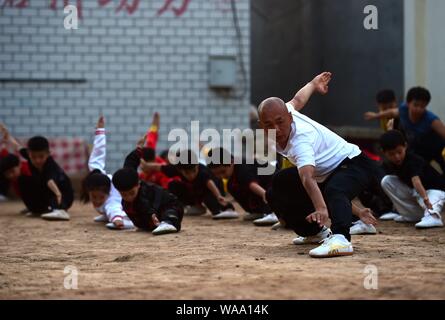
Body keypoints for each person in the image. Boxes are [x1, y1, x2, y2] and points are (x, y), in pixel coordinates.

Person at [259, 72, 384, 258]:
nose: (276, 129)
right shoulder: (283, 114)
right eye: (269, 125)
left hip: (354, 162)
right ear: (261, 126)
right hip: (328, 172)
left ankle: (341, 239)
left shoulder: (301, 140)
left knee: (333, 188)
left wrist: (321, 209)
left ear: (289, 119)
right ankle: (313, 232)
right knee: (280, 183)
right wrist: (313, 84)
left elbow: (307, 177)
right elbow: (297, 100)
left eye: (280, 122)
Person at [127, 149, 239, 219]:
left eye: (193, 171)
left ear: (196, 166)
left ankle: (224, 209)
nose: (190, 175)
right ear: (180, 170)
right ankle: (197, 206)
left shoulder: (202, 171)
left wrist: (219, 196)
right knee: (173, 185)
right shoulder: (177, 168)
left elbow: (210, 183)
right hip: (195, 193)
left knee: (208, 197)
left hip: (212, 191)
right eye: (186, 173)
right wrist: (145, 165)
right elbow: (158, 167)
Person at [0, 124, 73, 220]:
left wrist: (58, 194)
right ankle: (37, 209)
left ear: (48, 154)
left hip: (63, 194)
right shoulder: (29, 156)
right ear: (29, 154)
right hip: (48, 192)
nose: (37, 160)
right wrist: (7, 136)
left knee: (49, 187)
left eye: (41, 156)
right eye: (33, 157)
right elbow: (18, 146)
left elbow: (50, 181)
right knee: (23, 180)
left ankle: (60, 210)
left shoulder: (50, 165)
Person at [364, 87, 445, 172]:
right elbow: (391, 112)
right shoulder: (403, 110)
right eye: (416, 105)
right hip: (420, 148)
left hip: (437, 147)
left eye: (422, 106)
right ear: (408, 103)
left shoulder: (431, 119)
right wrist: (375, 116)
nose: (418, 109)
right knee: (419, 168)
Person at [379, 130, 445, 228]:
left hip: (436, 191)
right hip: (417, 194)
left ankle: (433, 216)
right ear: (384, 153)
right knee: (386, 181)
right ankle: (409, 215)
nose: (397, 157)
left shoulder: (413, 160)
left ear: (405, 146)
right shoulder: (389, 164)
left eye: (399, 152)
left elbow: (416, 181)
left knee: (432, 195)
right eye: (392, 154)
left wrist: (426, 199)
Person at [81, 116, 134, 230]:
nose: (97, 201)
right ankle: (107, 215)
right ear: (88, 190)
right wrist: (100, 131)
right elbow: (98, 154)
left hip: (129, 204)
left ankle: (126, 221)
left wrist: (117, 220)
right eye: (94, 197)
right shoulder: (95, 173)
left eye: (101, 197)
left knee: (118, 211)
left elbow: (113, 208)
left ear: (108, 193)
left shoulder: (111, 200)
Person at [206, 147, 278, 226]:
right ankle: (258, 211)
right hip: (262, 187)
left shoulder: (242, 167)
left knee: (237, 185)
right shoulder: (232, 177)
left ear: (231, 162)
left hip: (273, 185)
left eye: (223, 172)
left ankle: (274, 213)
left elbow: (252, 185)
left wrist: (269, 198)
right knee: (231, 186)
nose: (221, 176)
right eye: (217, 174)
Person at [112, 167, 184, 235]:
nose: (129, 197)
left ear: (138, 185)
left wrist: (152, 214)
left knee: (169, 210)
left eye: (132, 193)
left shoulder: (146, 192)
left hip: (169, 207)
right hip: (152, 219)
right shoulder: (125, 203)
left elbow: (148, 205)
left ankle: (168, 223)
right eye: (124, 195)